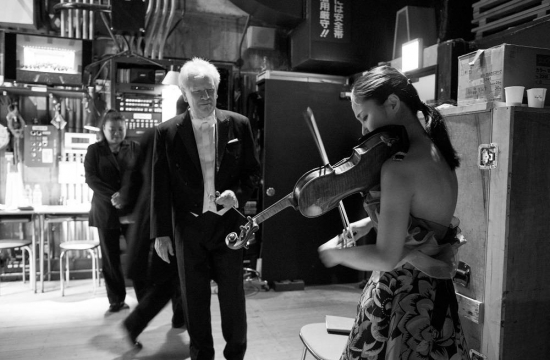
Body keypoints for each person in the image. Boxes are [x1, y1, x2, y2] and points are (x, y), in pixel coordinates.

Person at [317, 65, 469, 360]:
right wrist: (365, 224)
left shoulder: (398, 168)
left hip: (401, 300)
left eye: (365, 117)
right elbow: (421, 218)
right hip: (436, 297)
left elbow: (387, 257)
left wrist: (334, 254)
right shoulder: (438, 153)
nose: (363, 131)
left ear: (392, 103)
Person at [151, 57, 261, 360]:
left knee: (233, 300)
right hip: (188, 227)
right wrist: (161, 233)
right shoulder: (167, 132)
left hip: (228, 227)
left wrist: (236, 193)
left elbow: (253, 172)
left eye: (210, 90)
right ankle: (202, 356)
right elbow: (159, 187)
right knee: (194, 301)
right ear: (185, 94)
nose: (205, 97)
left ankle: (236, 354)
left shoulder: (238, 123)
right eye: (197, 92)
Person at [117, 128, 185, 349]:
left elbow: (134, 173)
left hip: (147, 211)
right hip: (171, 215)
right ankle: (134, 323)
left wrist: (127, 203)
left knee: (172, 275)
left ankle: (179, 318)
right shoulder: (188, 135)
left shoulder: (152, 134)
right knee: (170, 276)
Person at [84, 109, 139, 313]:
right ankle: (116, 300)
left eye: (120, 129)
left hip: (130, 211)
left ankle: (143, 297)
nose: (117, 133)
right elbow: (91, 178)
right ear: (104, 130)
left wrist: (124, 195)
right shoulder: (94, 150)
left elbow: (139, 176)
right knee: (110, 258)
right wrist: (113, 196)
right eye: (112, 129)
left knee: (137, 254)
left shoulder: (134, 148)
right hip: (105, 211)